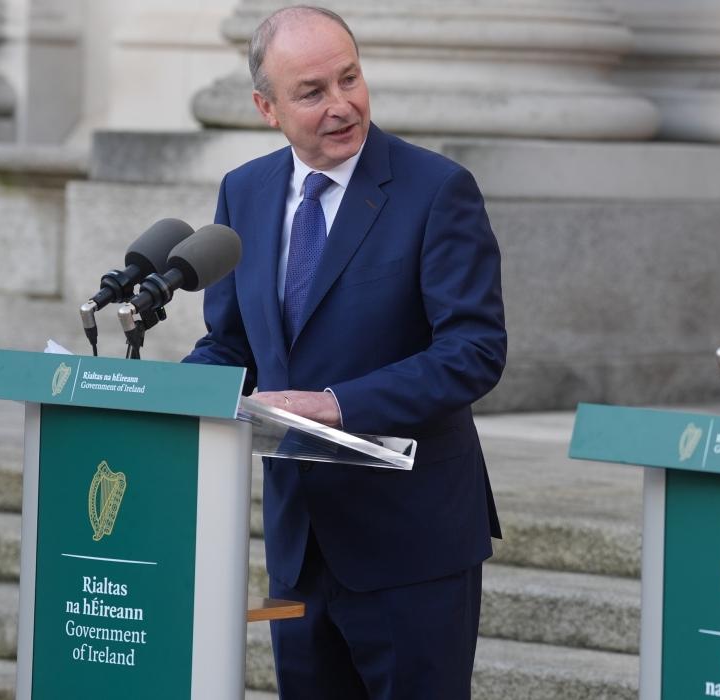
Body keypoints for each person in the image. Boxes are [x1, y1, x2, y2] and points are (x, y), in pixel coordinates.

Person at [184, 5, 506, 698]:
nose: (342, 105)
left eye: (349, 78)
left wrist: (337, 405)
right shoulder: (245, 192)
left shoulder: (436, 190)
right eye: (312, 92)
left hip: (411, 545)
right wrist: (170, 400)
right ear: (267, 108)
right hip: (296, 549)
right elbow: (231, 342)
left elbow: (474, 350)